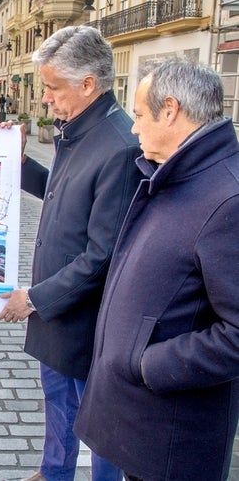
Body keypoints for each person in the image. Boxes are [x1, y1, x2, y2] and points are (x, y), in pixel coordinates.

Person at [75, 60, 239, 481]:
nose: (133, 128)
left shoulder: (227, 198)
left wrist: (150, 363)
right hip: (143, 423)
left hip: (172, 434)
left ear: (170, 111)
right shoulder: (175, 174)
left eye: (140, 115)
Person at [0, 26, 142, 481]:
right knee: (57, 398)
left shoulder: (119, 146)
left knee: (99, 419)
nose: (44, 99)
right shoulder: (77, 128)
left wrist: (35, 298)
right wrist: (19, 165)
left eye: (52, 88)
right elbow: (61, 195)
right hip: (60, 310)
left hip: (85, 316)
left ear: (88, 85)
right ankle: (54, 472)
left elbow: (101, 256)